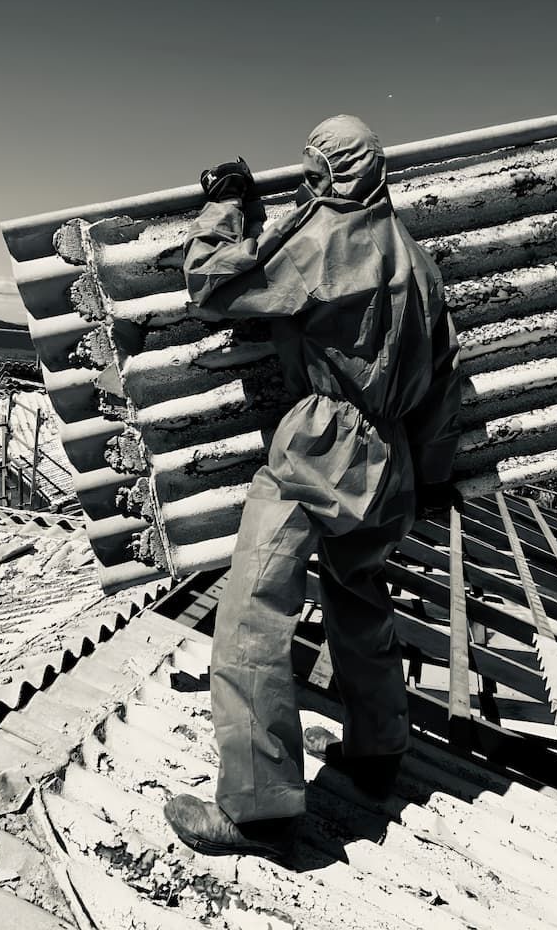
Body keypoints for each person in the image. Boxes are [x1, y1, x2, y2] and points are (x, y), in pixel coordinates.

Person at [164, 115, 462, 859]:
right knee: (358, 595)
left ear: (334, 175)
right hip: (391, 455)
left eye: (311, 175)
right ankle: (377, 751)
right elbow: (443, 389)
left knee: (252, 609)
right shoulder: (421, 266)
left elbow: (215, 289)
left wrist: (225, 204)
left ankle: (260, 808)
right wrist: (427, 478)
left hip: (320, 445)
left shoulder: (322, 239)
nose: (304, 187)